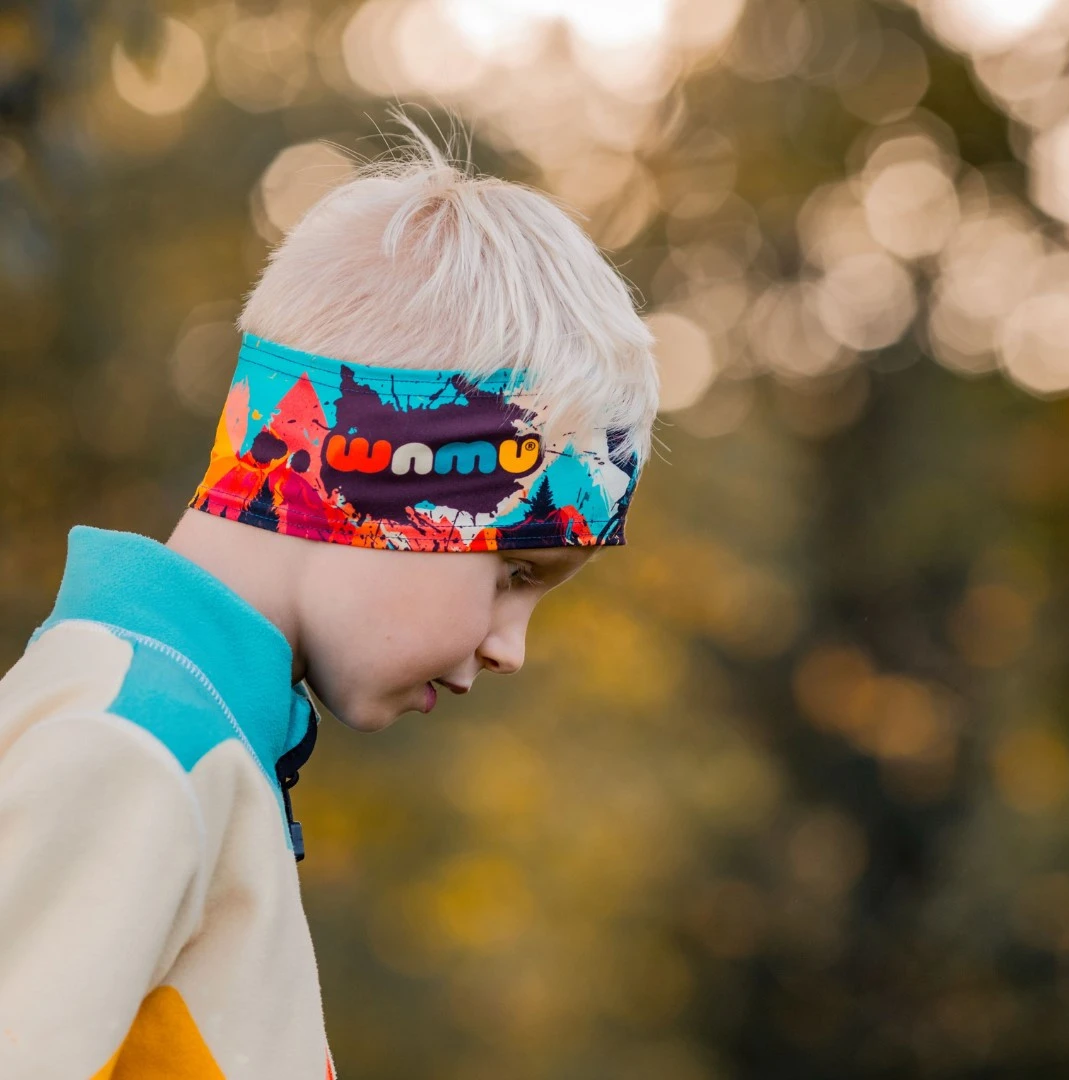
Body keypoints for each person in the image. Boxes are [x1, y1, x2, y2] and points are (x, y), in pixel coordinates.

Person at [0, 123, 658, 1080]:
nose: (511, 647)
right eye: (515, 571)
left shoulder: (195, 739)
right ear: (381, 486)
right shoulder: (135, 748)